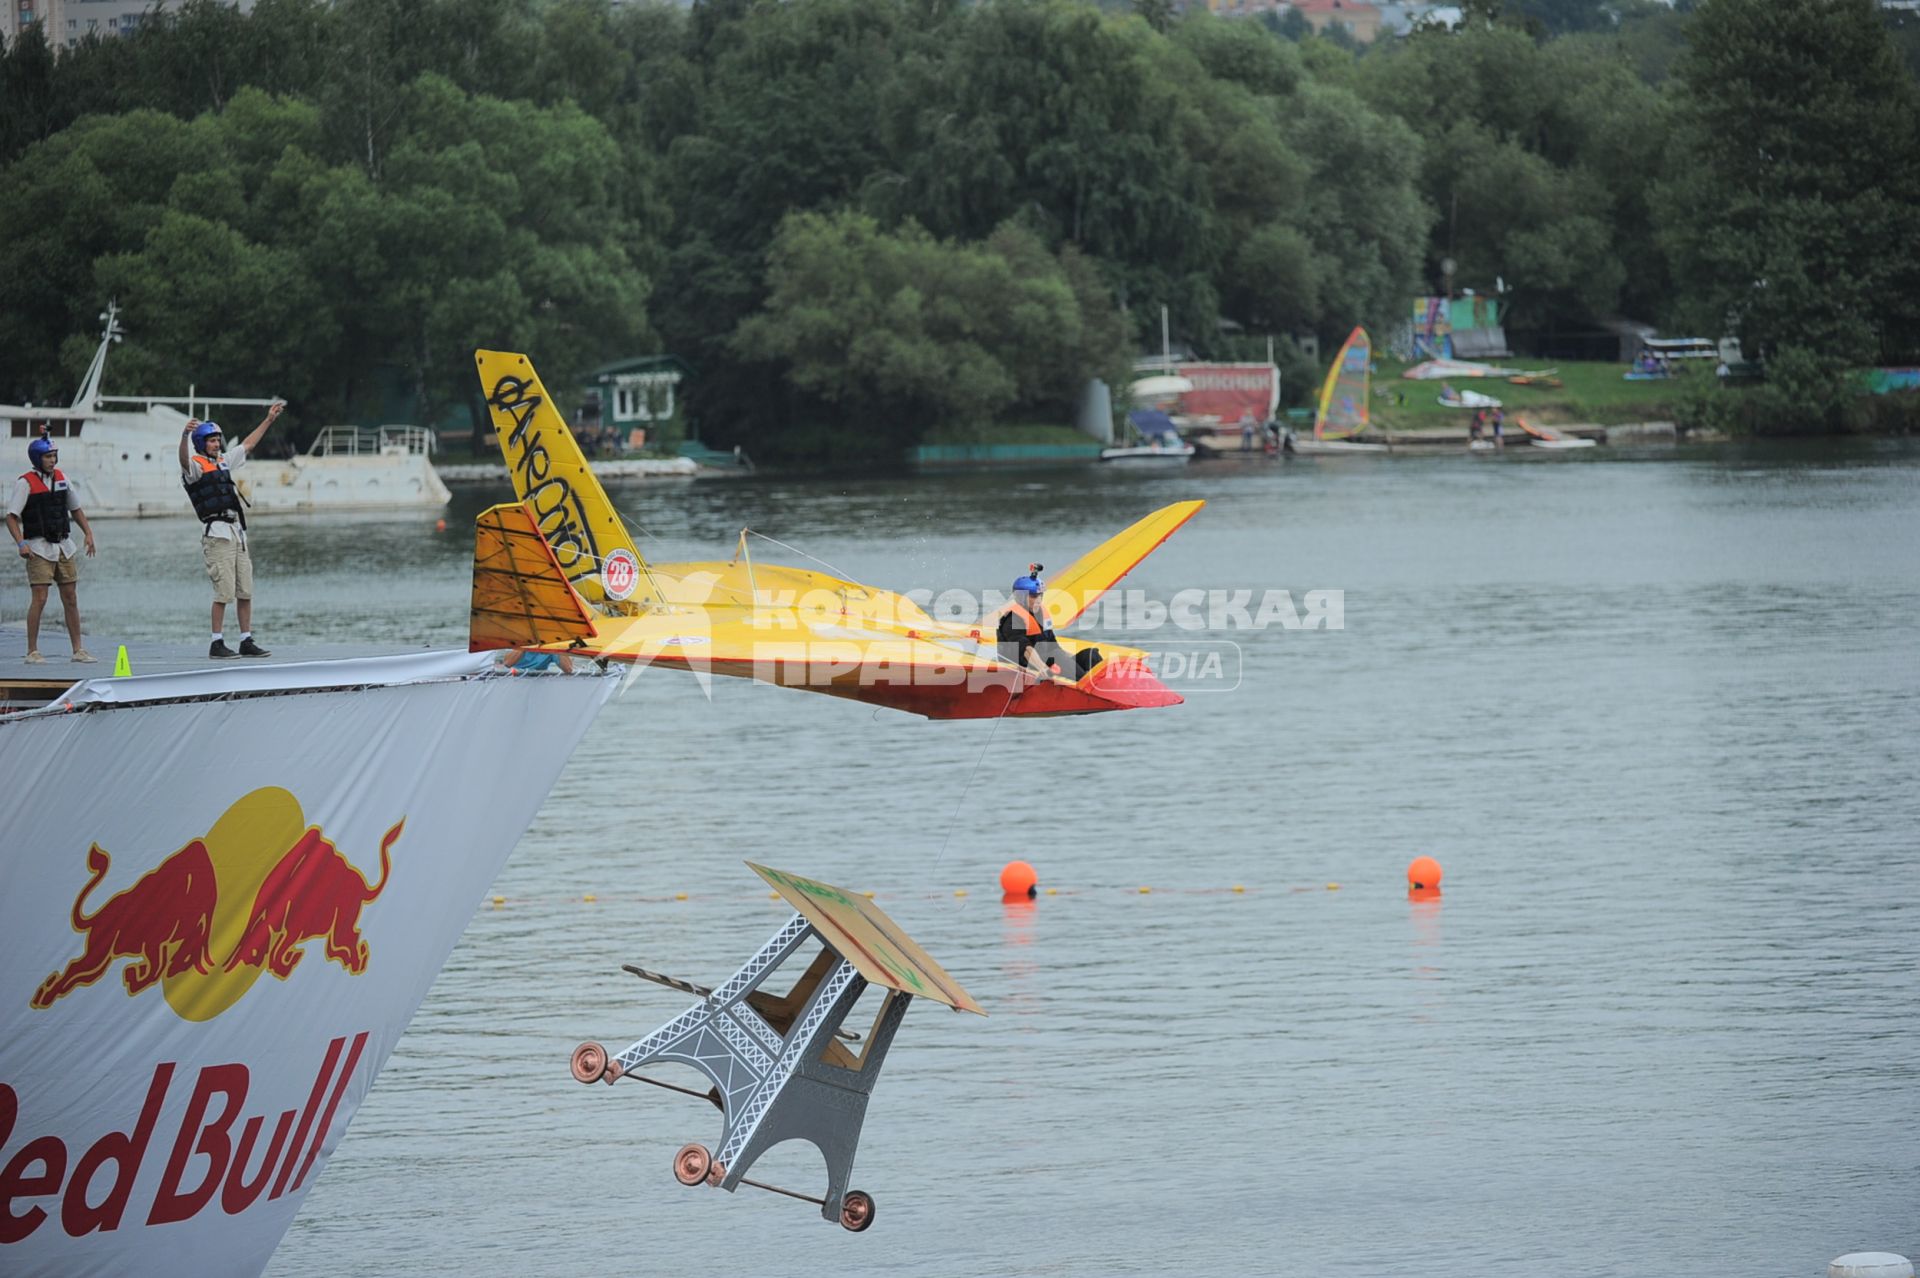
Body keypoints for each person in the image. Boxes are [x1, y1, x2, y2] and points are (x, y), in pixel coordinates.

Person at [180, 402, 284, 658]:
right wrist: (183, 436)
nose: (217, 444)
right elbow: (182, 460)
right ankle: (216, 642)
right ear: (201, 443)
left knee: (245, 590)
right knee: (223, 592)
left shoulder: (224, 462)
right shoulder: (194, 466)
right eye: (211, 440)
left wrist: (268, 420)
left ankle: (246, 640)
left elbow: (248, 444)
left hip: (237, 533)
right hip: (217, 534)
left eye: (218, 440)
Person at [6, 430, 98, 663]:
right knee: (40, 598)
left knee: (71, 597)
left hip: (63, 546)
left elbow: (75, 509)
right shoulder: (25, 483)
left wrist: (88, 533)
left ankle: (78, 650)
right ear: (38, 458)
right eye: (48, 456)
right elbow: (11, 516)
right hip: (38, 547)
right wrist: (21, 543)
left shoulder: (62, 479)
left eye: (54, 456)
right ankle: (32, 651)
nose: (52, 460)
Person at [989, 565, 1069, 681]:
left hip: (1046, 663)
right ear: (1021, 597)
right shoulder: (1012, 620)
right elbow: (1026, 649)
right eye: (1033, 596)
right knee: (1059, 657)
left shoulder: (1041, 616)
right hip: (1023, 669)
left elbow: (1054, 647)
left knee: (1090, 655)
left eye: (1040, 595)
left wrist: (1076, 660)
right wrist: (1043, 668)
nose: (1038, 600)